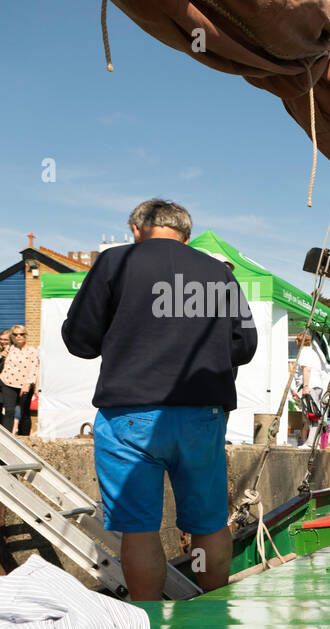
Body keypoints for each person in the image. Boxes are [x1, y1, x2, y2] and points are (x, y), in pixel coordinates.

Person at [61, 199, 257, 600]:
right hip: (202, 414)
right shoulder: (219, 274)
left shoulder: (115, 263)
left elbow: (80, 340)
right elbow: (245, 344)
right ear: (187, 236)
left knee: (139, 528)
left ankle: (147, 620)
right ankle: (214, 612)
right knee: (209, 523)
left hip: (130, 414)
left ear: (137, 229)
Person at [0, 324, 39, 433]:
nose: (18, 336)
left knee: (24, 413)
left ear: (25, 335)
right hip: (7, 383)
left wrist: (28, 384)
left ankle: (24, 439)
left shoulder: (32, 351)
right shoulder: (10, 348)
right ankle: (7, 439)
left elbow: (34, 368)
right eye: (15, 334)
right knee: (9, 411)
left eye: (21, 334)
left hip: (25, 385)